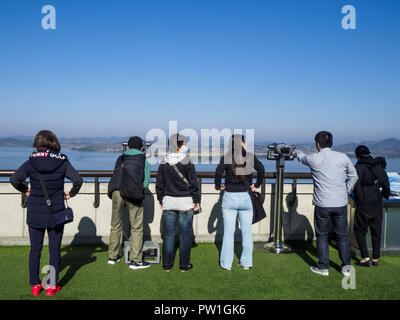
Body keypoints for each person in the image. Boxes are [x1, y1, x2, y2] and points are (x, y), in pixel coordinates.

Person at [10, 130, 83, 296]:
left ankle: (35, 286)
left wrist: (25, 190)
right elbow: (78, 180)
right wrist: (70, 194)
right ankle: (51, 287)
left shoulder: (30, 162)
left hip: (35, 212)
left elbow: (14, 179)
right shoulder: (63, 162)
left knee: (35, 250)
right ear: (54, 143)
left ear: (38, 143)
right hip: (55, 212)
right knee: (54, 250)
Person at [295, 131, 358, 276]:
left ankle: (323, 267)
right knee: (342, 236)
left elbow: (301, 157)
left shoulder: (313, 158)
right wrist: (346, 191)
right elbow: (353, 176)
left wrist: (296, 151)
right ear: (332, 143)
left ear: (317, 144)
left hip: (322, 204)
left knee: (322, 236)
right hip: (340, 203)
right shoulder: (343, 157)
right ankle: (346, 268)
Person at [215, 134, 265, 271]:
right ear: (243, 143)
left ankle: (226, 264)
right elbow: (261, 169)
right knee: (247, 232)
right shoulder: (249, 156)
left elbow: (218, 172)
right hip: (246, 197)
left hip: (230, 196)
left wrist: (218, 186)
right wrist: (257, 185)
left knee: (229, 232)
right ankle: (246, 263)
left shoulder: (227, 157)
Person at [156, 134, 200, 272]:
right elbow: (193, 183)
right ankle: (184, 265)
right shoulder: (187, 161)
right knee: (185, 235)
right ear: (180, 145)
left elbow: (159, 184)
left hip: (169, 201)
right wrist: (196, 200)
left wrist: (160, 199)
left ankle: (167, 265)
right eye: (184, 143)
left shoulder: (164, 161)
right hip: (186, 202)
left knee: (168, 234)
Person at [107, 136, 151, 270]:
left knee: (115, 225)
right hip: (133, 193)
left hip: (116, 191)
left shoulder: (120, 158)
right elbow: (146, 181)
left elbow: (116, 173)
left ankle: (112, 257)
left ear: (128, 147)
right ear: (142, 147)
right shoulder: (144, 160)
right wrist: (138, 189)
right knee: (136, 227)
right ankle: (136, 260)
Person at [353, 145, 390, 267]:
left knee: (359, 231)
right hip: (376, 204)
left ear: (357, 155)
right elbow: (385, 182)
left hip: (363, 204)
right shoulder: (377, 165)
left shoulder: (358, 167)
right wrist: (385, 195)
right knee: (376, 231)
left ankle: (365, 257)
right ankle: (375, 258)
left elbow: (355, 185)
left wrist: (357, 200)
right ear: (369, 153)